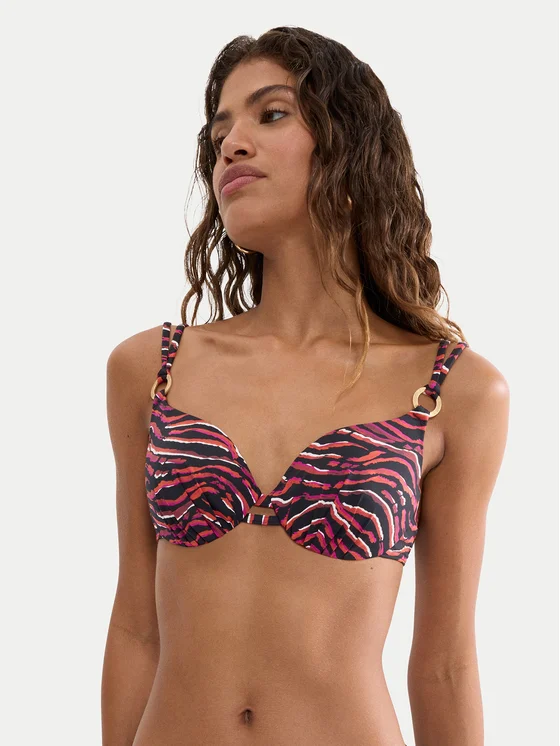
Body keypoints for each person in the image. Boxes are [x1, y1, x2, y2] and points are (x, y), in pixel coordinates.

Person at [101, 26, 510, 746]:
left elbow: (444, 666)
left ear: (349, 146)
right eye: (219, 133)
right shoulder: (151, 369)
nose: (232, 145)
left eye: (271, 114)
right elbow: (138, 628)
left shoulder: (455, 389)